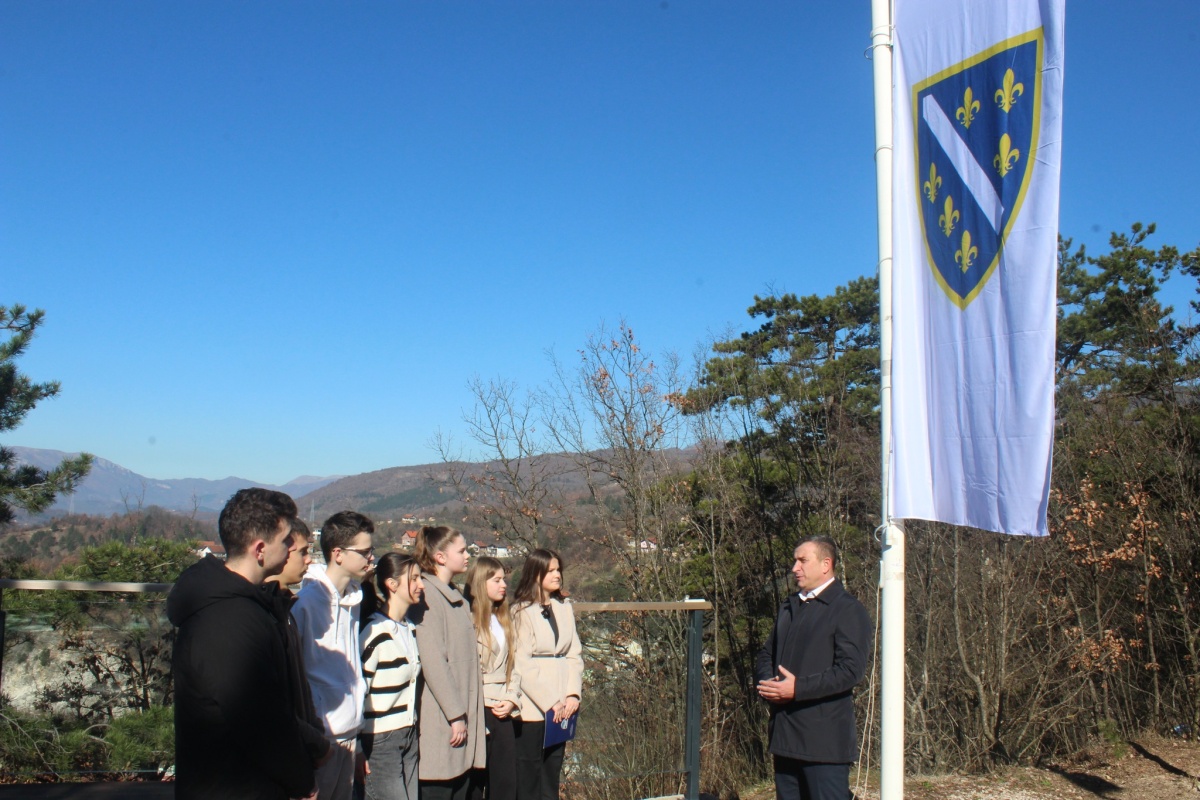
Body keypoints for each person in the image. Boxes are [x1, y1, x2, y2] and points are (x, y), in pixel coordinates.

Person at [168, 488, 316, 800]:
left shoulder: (244, 607)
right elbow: (259, 721)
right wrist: (302, 780)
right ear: (260, 549)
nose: (292, 547)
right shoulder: (229, 621)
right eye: (286, 540)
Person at [754, 535, 873, 800]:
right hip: (784, 738)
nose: (795, 568)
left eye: (803, 561)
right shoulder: (789, 606)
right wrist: (767, 684)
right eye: (795, 561)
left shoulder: (847, 609)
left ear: (825, 564)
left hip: (823, 744)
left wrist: (797, 689)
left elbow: (850, 670)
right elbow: (766, 653)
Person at [293, 510, 375, 800]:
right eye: (364, 552)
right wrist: (312, 742)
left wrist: (358, 743)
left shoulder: (353, 599)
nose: (371, 558)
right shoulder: (304, 604)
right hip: (320, 743)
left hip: (349, 737)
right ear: (338, 554)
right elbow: (296, 675)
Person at [410, 525, 487, 800]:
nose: (468, 556)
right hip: (443, 722)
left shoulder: (453, 596)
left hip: (460, 720)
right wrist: (456, 714)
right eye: (462, 550)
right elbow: (434, 662)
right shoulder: (428, 597)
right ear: (440, 557)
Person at [263, 517, 333, 772]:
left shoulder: (285, 607)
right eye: (302, 552)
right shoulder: (265, 616)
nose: (309, 560)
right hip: (284, 760)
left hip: (303, 747)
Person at [511, 548, 582, 800]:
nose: (557, 575)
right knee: (529, 773)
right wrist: (551, 701)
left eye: (558, 569)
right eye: (550, 570)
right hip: (533, 706)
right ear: (535, 573)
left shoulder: (564, 608)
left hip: (563, 705)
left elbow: (574, 653)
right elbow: (522, 662)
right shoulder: (521, 612)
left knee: (552, 772)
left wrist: (573, 694)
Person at [359, 553, 424, 800]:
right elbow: (358, 689)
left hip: (409, 735)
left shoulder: (409, 629)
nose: (421, 585)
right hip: (380, 741)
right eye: (414, 578)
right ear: (392, 584)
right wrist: (357, 747)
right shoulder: (373, 631)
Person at [463, 556, 522, 800]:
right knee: (475, 782)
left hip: (504, 707)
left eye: (503, 579)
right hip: (479, 707)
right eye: (496, 580)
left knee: (505, 781)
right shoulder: (467, 621)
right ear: (480, 582)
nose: (504, 585)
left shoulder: (505, 619)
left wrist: (511, 698)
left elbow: (515, 666)